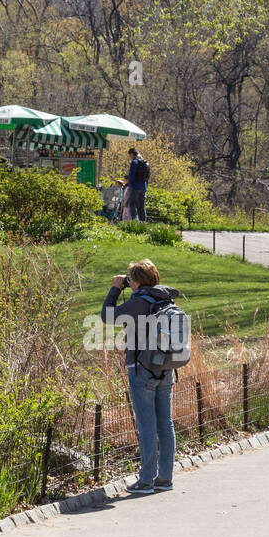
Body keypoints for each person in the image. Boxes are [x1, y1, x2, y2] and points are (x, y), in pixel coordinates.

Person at [102, 258, 180, 493]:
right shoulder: (165, 300)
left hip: (142, 369)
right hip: (166, 367)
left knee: (147, 424)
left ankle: (146, 480)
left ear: (135, 281)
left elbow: (107, 316)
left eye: (130, 278)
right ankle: (164, 479)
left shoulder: (139, 303)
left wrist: (116, 288)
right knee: (165, 423)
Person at [126, 148, 150, 222]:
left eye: (129, 155)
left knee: (132, 204)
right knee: (141, 206)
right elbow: (148, 175)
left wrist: (129, 184)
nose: (129, 157)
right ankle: (143, 222)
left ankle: (135, 221)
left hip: (135, 186)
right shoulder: (145, 162)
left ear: (131, 154)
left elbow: (131, 175)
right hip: (143, 187)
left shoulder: (134, 162)